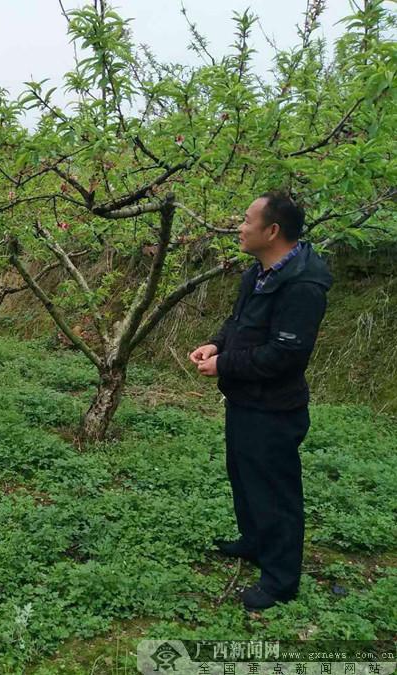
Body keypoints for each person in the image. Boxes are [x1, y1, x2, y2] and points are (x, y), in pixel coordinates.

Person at [189, 190, 332, 612]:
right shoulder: (260, 272)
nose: (240, 226)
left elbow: (285, 356)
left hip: (274, 407)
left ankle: (281, 579)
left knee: (275, 491)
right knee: (245, 476)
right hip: (246, 399)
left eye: (247, 220)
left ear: (272, 231)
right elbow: (240, 323)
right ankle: (253, 543)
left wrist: (226, 365)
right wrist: (216, 345)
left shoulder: (303, 286)